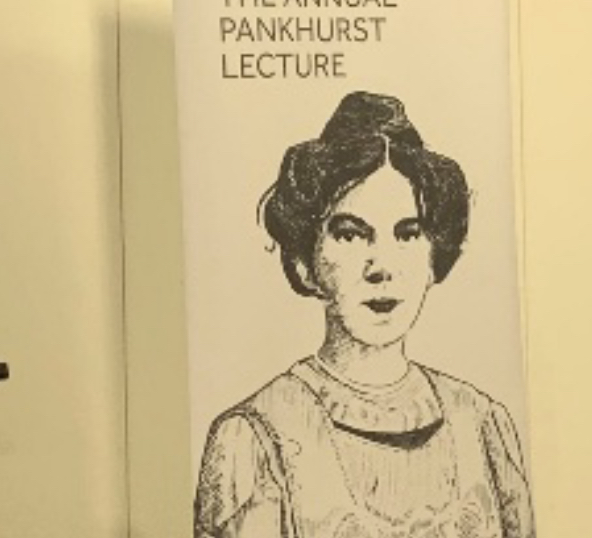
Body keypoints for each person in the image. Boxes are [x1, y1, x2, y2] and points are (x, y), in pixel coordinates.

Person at [194, 92, 535, 538]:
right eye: (352, 235)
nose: (382, 268)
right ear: (304, 261)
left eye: (408, 234)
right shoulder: (254, 437)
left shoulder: (484, 423)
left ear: (436, 256)